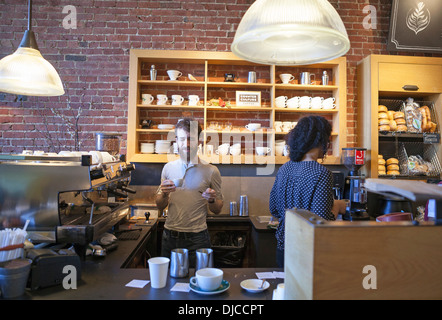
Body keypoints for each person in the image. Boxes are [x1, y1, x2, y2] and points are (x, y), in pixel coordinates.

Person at [269, 115, 345, 267]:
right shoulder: (320, 172)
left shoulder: (285, 168)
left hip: (283, 248)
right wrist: (337, 206)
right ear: (322, 140)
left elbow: (274, 209)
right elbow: (321, 221)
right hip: (307, 251)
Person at [155, 118, 224, 266]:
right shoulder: (168, 168)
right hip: (170, 236)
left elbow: (217, 209)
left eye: (191, 139)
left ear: (199, 141)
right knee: (168, 285)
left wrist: (211, 199)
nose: (186, 144)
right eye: (182, 139)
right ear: (176, 141)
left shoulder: (211, 171)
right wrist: (164, 194)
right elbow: (160, 205)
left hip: (198, 238)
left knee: (199, 283)